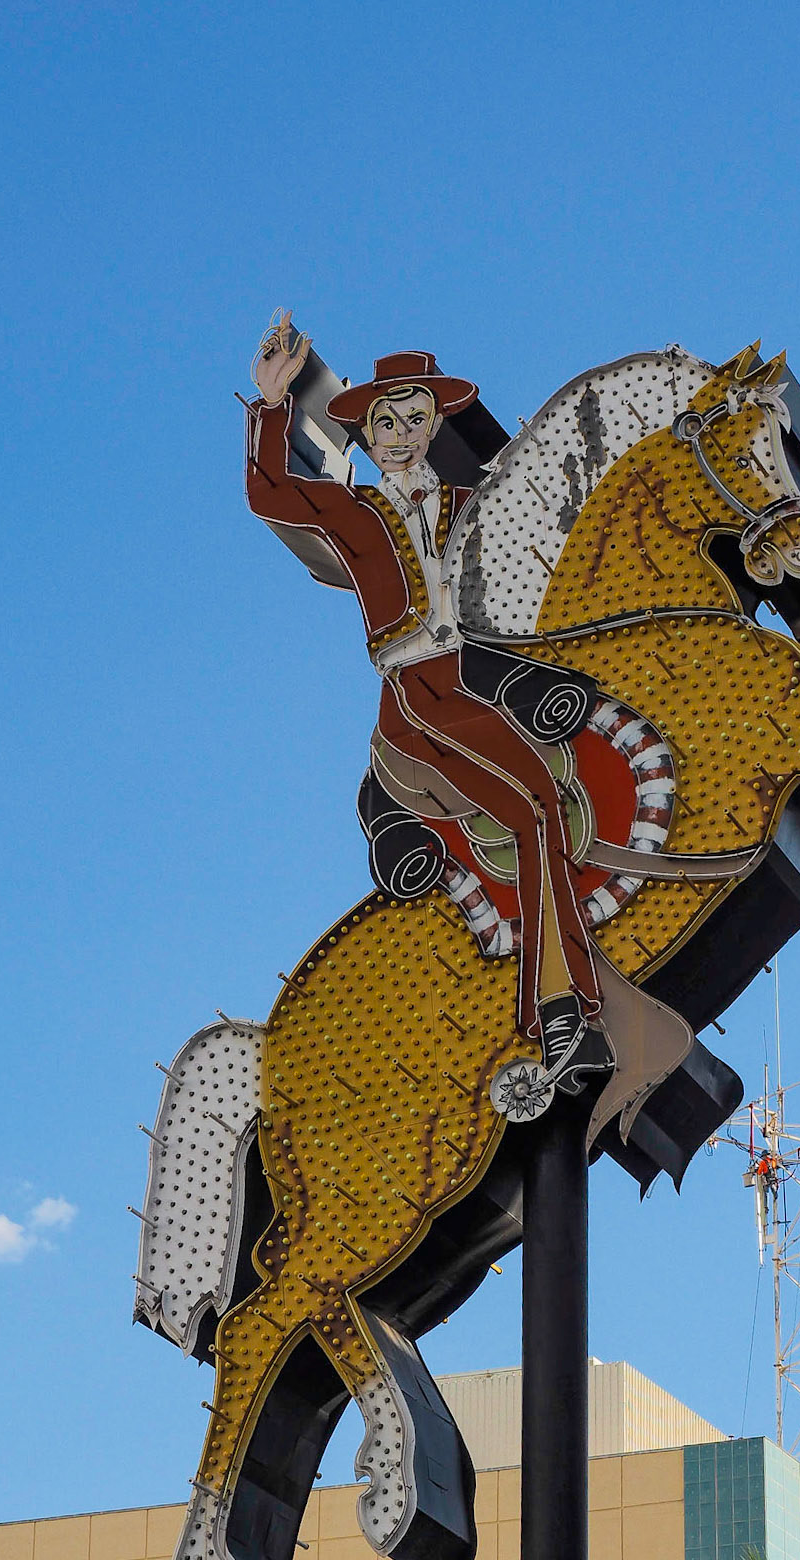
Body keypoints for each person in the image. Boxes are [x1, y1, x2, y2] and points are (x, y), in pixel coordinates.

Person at [245, 313, 611, 1090]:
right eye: (385, 421)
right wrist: (273, 404)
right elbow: (271, 492)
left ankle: (568, 1011)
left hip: (469, 676)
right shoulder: (360, 516)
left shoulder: (462, 504)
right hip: (414, 694)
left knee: (544, 801)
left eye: (415, 418)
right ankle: (558, 1017)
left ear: (434, 421)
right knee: (533, 806)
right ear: (368, 434)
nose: (401, 433)